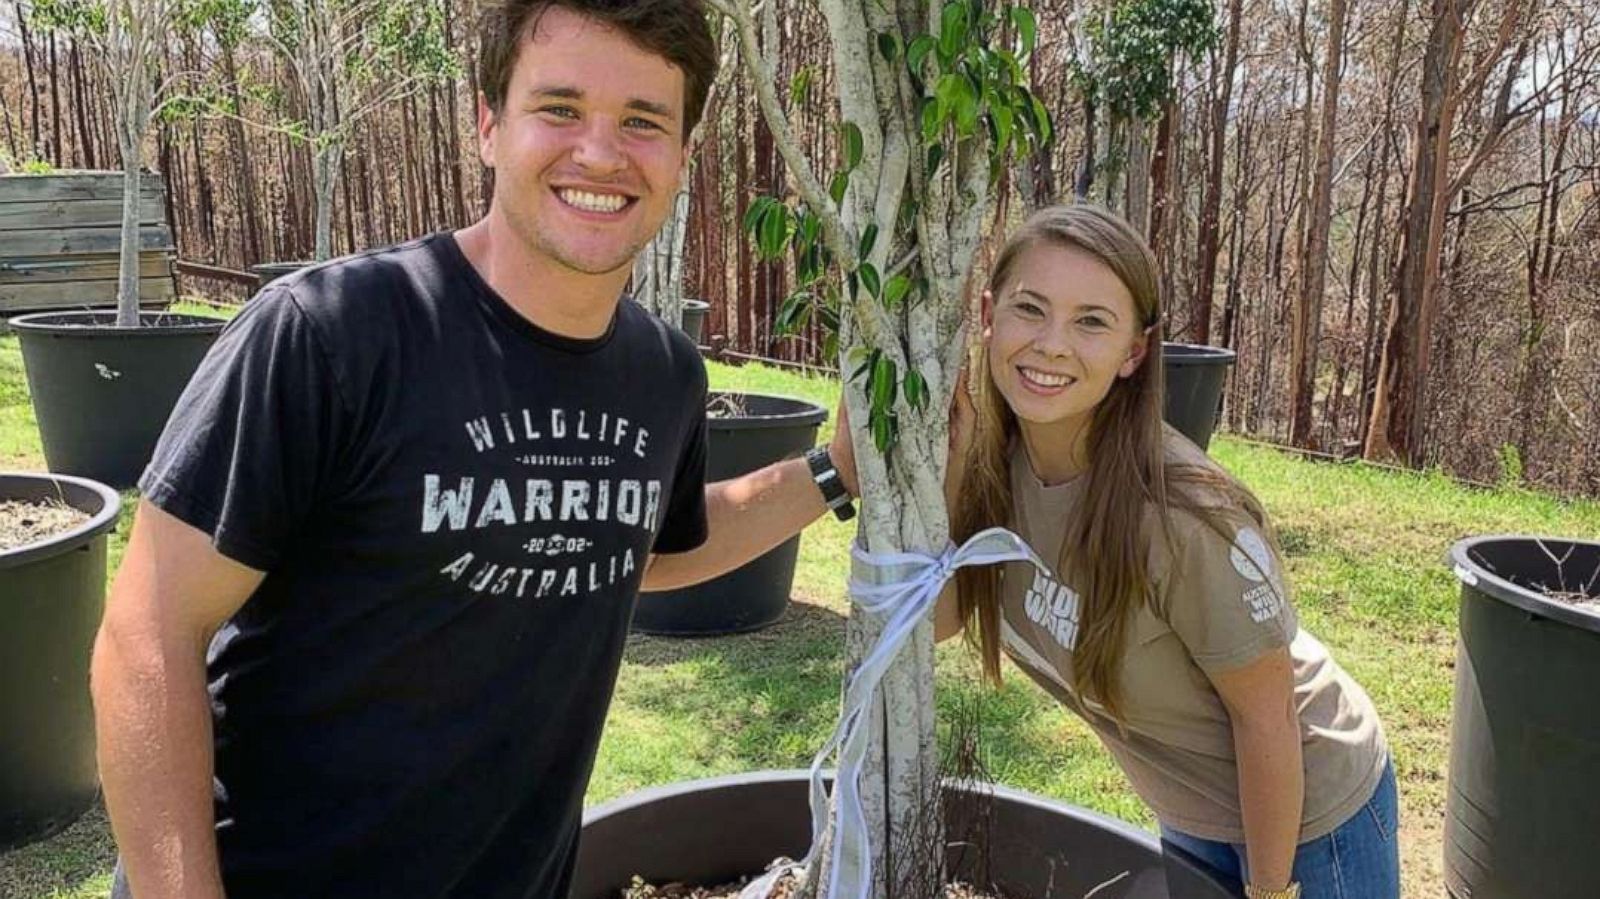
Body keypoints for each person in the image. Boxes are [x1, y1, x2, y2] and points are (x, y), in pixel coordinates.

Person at [91, 3, 858, 897]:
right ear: (489, 126)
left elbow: (647, 547)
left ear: (683, 156)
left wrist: (835, 471)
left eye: (643, 121)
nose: (602, 154)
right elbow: (147, 633)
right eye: (560, 108)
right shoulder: (335, 336)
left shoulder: (663, 375)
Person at [835, 204, 1397, 899]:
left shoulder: (1186, 519)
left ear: (1135, 351)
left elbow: (1268, 718)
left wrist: (1271, 890)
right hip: (1190, 799)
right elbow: (940, 620)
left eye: (1091, 321)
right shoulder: (991, 465)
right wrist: (950, 458)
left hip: (1309, 806)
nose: (1050, 344)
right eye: (1029, 308)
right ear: (987, 313)